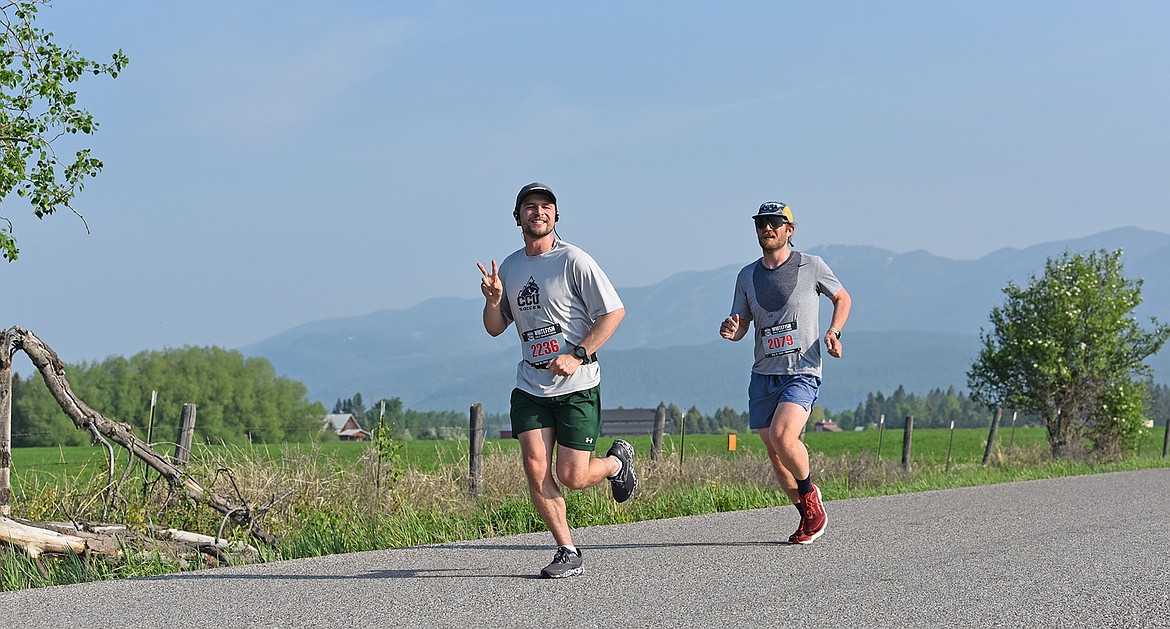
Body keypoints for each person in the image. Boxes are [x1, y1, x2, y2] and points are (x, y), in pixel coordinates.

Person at [477, 182, 637, 578]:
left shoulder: (574, 261)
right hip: (530, 385)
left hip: (577, 384)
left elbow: (613, 313)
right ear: (518, 218)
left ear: (556, 215)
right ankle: (567, 550)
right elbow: (495, 329)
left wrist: (577, 353)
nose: (538, 213)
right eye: (530, 207)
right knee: (535, 467)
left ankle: (617, 463)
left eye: (546, 207)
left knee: (573, 476)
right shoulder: (512, 267)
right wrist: (493, 300)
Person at [719, 201, 851, 545]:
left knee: (783, 435)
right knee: (777, 455)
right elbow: (741, 327)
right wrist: (730, 330)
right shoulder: (746, 276)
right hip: (764, 374)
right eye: (762, 223)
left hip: (802, 369)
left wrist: (834, 332)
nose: (768, 229)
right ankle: (806, 514)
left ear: (789, 230)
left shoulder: (812, 266)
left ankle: (810, 496)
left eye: (775, 223)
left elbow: (843, 299)